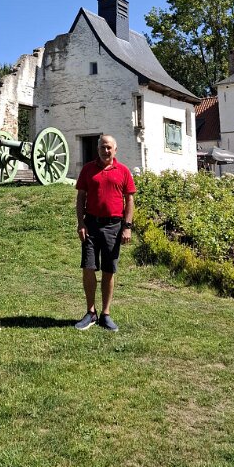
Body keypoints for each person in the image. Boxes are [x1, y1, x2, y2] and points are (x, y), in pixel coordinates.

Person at [74, 134, 136, 332]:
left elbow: (130, 200)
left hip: (114, 226)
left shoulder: (124, 171)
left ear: (115, 149)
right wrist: (81, 223)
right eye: (102, 147)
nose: (105, 150)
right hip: (91, 225)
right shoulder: (88, 170)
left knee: (109, 270)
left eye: (109, 147)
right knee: (89, 268)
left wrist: (127, 227)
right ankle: (90, 312)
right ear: (98, 149)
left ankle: (106, 314)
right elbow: (80, 198)